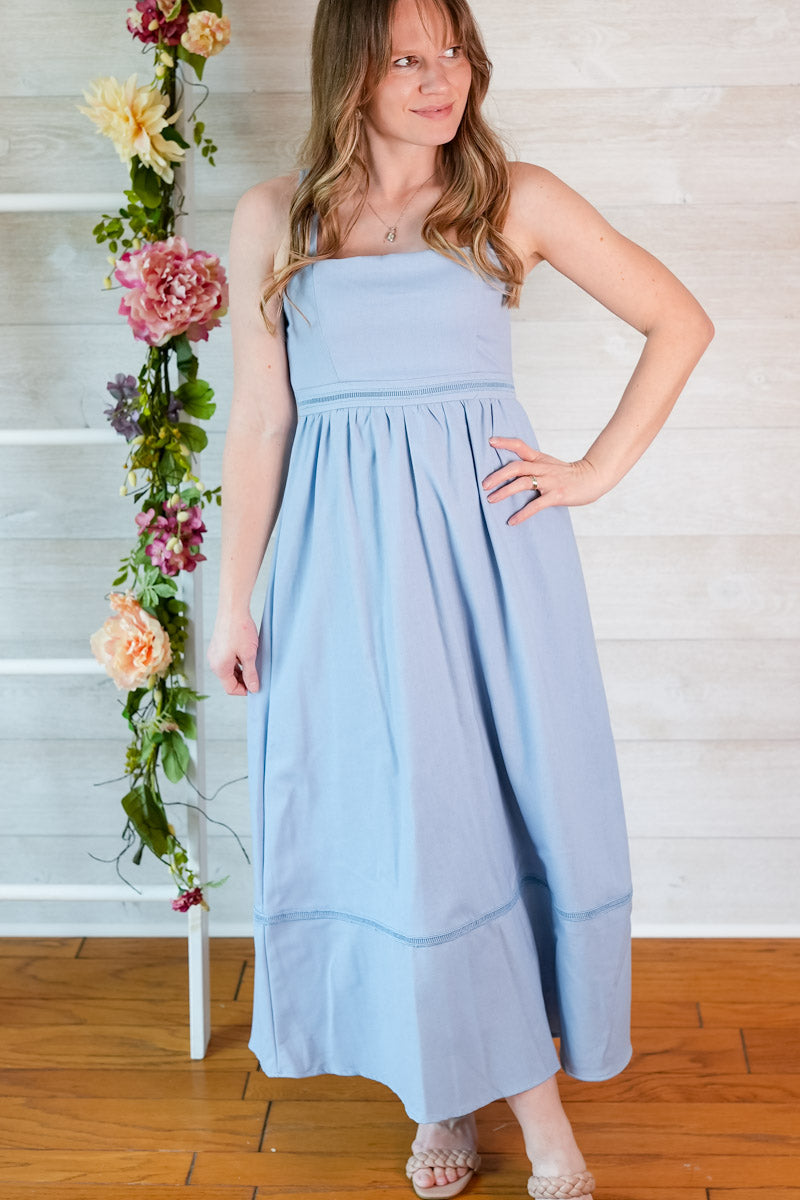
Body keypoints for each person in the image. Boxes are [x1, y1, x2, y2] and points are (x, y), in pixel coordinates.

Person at [207, 0, 714, 1196]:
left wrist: (590, 472)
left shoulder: (511, 200)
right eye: (407, 58)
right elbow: (263, 420)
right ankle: (447, 1101)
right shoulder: (275, 218)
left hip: (490, 569)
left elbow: (676, 321)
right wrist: (233, 600)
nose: (441, 80)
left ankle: (516, 1117)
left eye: (454, 54)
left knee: (480, 818)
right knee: (404, 833)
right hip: (343, 577)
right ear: (351, 72)